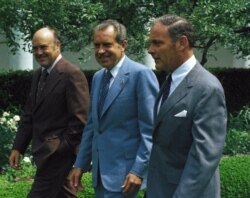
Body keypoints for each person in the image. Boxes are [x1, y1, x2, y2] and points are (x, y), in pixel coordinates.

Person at [69, 19, 159, 198]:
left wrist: (138, 171)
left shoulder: (141, 75)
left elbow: (151, 131)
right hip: (101, 179)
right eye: (97, 45)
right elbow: (93, 127)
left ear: (123, 45)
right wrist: (80, 164)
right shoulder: (97, 77)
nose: (101, 51)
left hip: (128, 180)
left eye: (107, 44)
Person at [146, 15, 227, 198]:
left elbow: (203, 159)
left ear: (181, 43)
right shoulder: (169, 80)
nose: (150, 50)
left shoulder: (207, 88)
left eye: (157, 43)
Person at [9, 27, 89, 198]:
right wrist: (18, 147)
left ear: (57, 46)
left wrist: (59, 150)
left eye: (43, 47)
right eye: (35, 48)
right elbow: (30, 114)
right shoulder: (39, 75)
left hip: (58, 158)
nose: (39, 52)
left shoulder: (72, 74)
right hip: (46, 156)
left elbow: (80, 121)